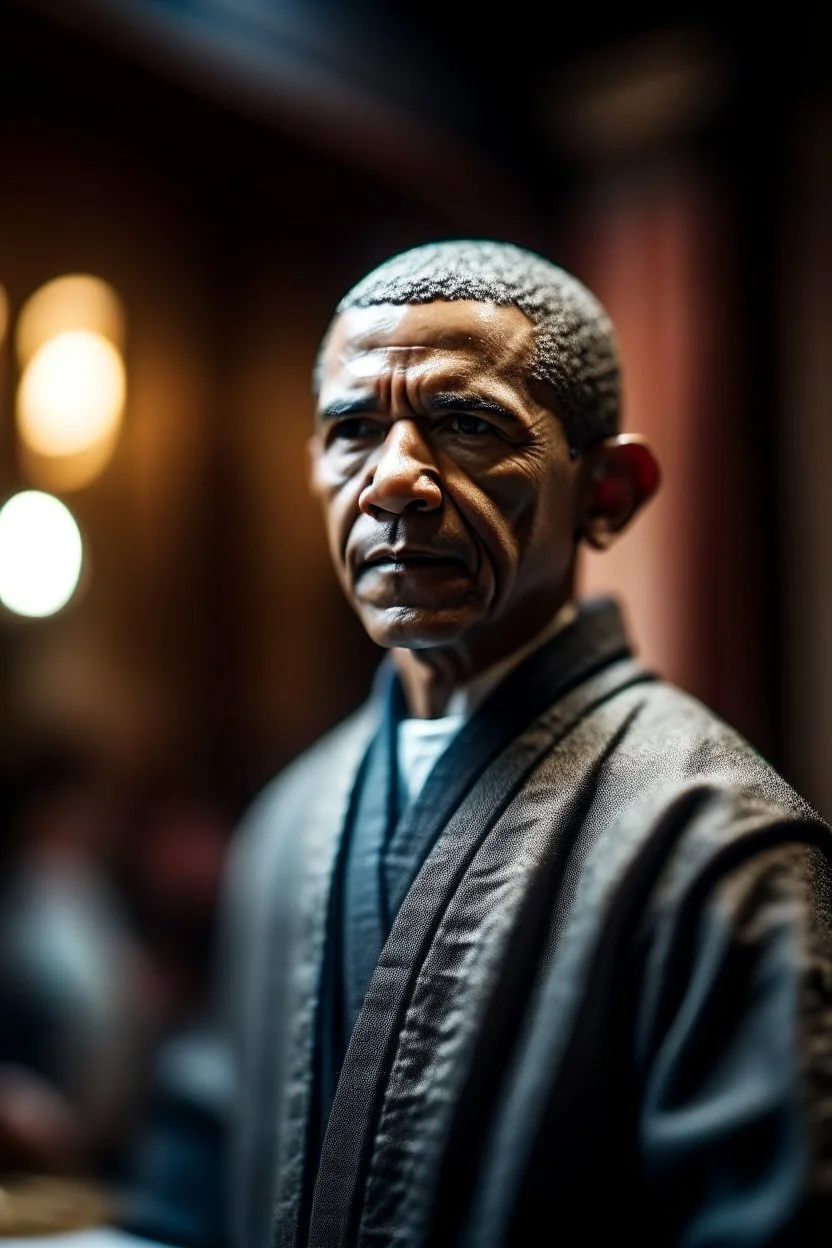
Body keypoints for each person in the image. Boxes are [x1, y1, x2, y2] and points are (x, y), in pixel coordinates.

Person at [117, 238, 832, 1248]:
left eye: (464, 424)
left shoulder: (711, 840)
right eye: (354, 430)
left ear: (609, 494)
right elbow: (191, 1196)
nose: (394, 480)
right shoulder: (288, 823)